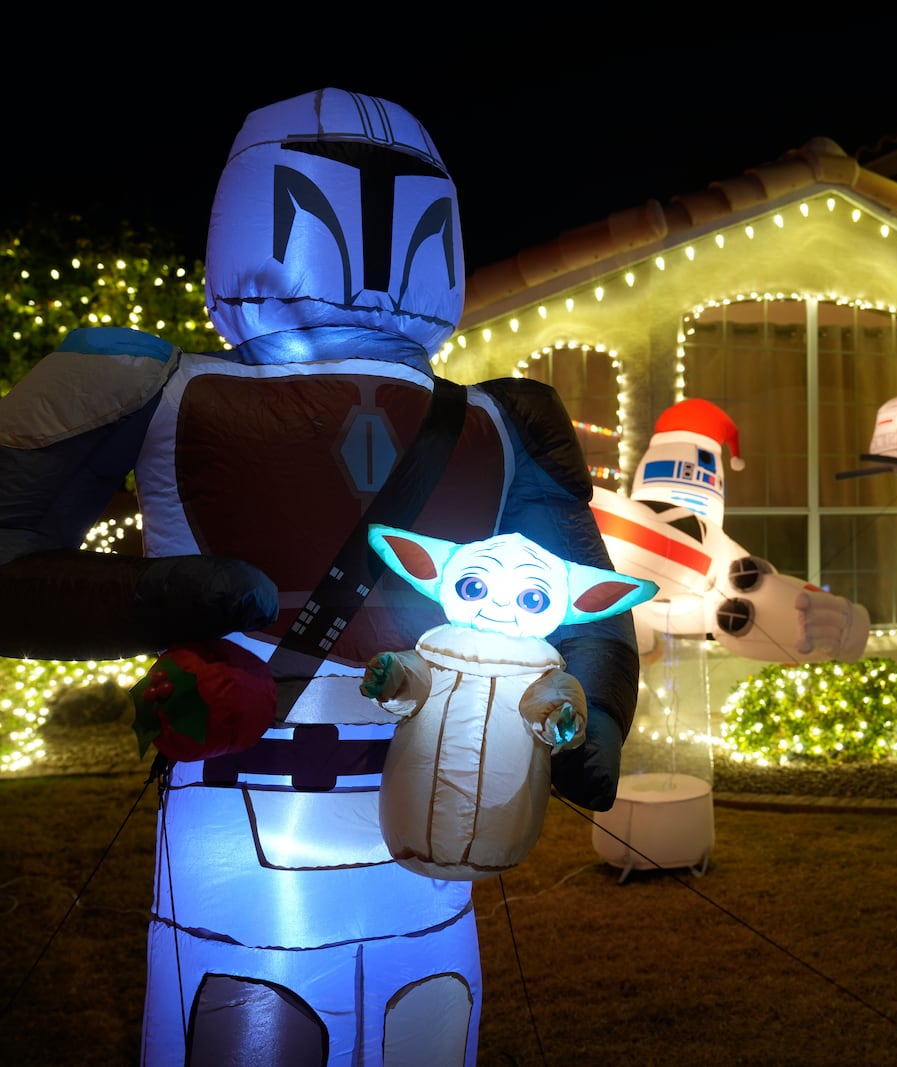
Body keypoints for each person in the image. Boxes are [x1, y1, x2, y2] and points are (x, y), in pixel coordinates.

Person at [0, 88, 638, 1065]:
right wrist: (161, 596)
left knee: (419, 1016)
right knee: (252, 1017)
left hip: (436, 804)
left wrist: (587, 713)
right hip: (259, 801)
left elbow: (583, 602)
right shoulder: (154, 387)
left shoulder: (501, 421)